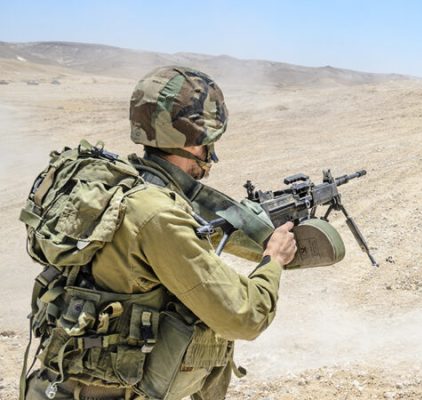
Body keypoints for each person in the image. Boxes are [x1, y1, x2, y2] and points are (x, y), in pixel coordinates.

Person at [21, 66, 297, 399]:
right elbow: (244, 317)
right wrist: (273, 260)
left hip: (51, 388)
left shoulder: (112, 186)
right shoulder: (157, 215)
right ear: (197, 142)